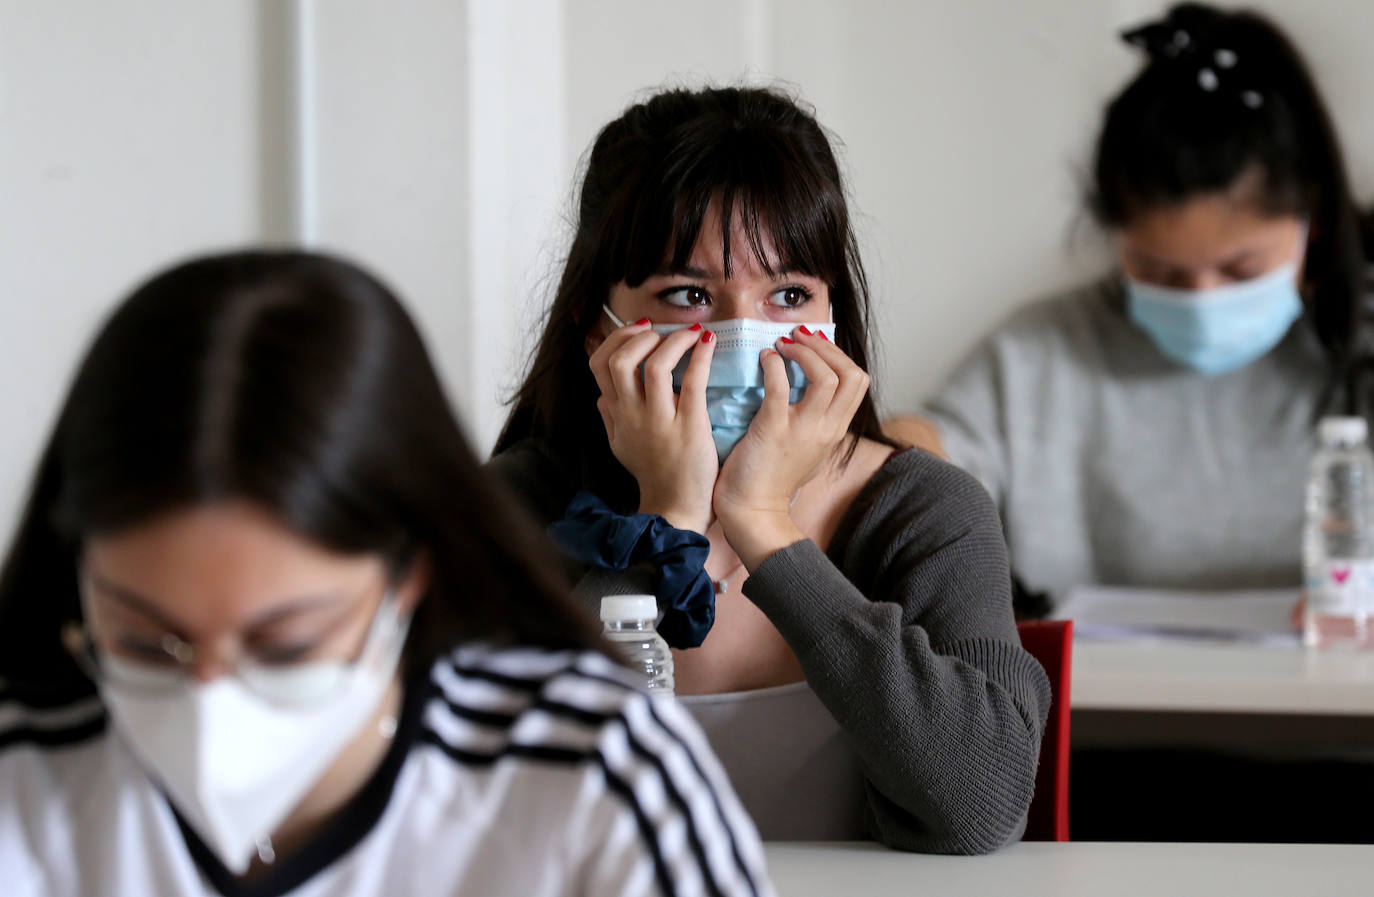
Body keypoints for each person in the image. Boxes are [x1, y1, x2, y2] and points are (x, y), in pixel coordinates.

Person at [0, 250, 772, 896]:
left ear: (410, 575)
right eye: (144, 641)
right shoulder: (27, 777)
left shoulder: (592, 775)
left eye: (287, 645)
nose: (211, 708)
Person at [491, 85, 1050, 855]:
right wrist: (666, 523)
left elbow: (979, 808)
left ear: (833, 318)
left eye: (789, 294)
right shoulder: (518, 505)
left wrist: (764, 526)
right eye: (689, 295)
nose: (744, 334)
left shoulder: (926, 510)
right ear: (598, 326)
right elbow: (501, 804)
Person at [887, 3, 1374, 843]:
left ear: (1316, 222)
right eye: (1161, 272)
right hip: (1098, 757)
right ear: (1114, 239)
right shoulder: (1045, 350)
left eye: (1241, 268)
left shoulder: (1356, 346)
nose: (1203, 299)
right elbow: (929, 455)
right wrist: (882, 450)